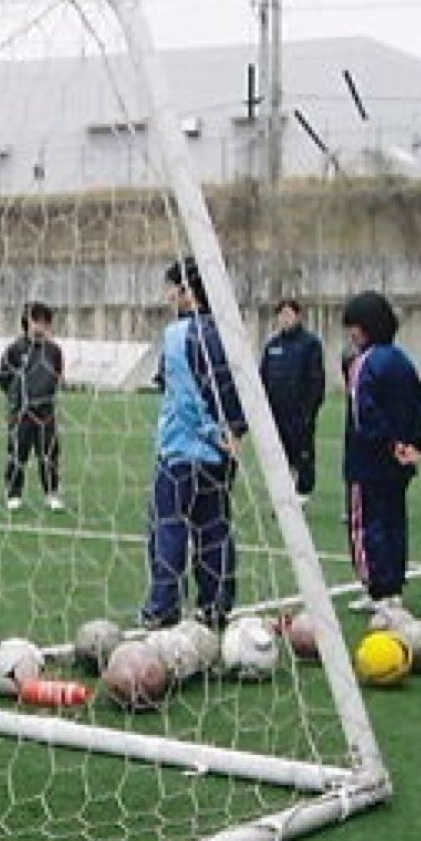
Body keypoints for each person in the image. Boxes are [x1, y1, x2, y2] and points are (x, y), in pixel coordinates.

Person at [140, 257, 247, 632]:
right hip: (219, 452)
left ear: (187, 291)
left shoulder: (179, 334)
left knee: (169, 526)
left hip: (181, 449)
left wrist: (212, 428)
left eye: (171, 288)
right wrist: (233, 431)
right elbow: (236, 388)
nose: (168, 296)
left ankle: (164, 607)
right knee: (214, 529)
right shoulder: (229, 332)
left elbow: (177, 389)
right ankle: (215, 605)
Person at [342, 290, 421, 612]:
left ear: (363, 328)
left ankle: (377, 590)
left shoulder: (363, 364)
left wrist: (391, 444)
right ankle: (393, 589)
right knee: (393, 521)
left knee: (366, 524)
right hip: (399, 462)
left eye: (352, 327)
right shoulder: (403, 360)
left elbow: (365, 414)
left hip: (368, 462)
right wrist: (412, 446)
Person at [0, 301, 65, 512]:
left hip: (46, 412)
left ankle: (51, 494)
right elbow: (3, 378)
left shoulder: (54, 351)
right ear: (27, 322)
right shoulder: (15, 350)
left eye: (45, 322)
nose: (40, 326)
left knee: (49, 454)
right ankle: (14, 494)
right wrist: (16, 399)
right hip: (22, 412)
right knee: (18, 453)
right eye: (36, 321)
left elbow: (58, 376)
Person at [259, 298, 325, 503]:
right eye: (281, 315)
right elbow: (263, 377)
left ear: (298, 316)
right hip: (276, 412)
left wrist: (309, 411)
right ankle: (282, 496)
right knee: (279, 455)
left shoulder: (310, 344)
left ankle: (303, 493)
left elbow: (316, 380)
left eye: (289, 314)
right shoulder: (272, 346)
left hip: (299, 413)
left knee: (302, 453)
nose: (285, 319)